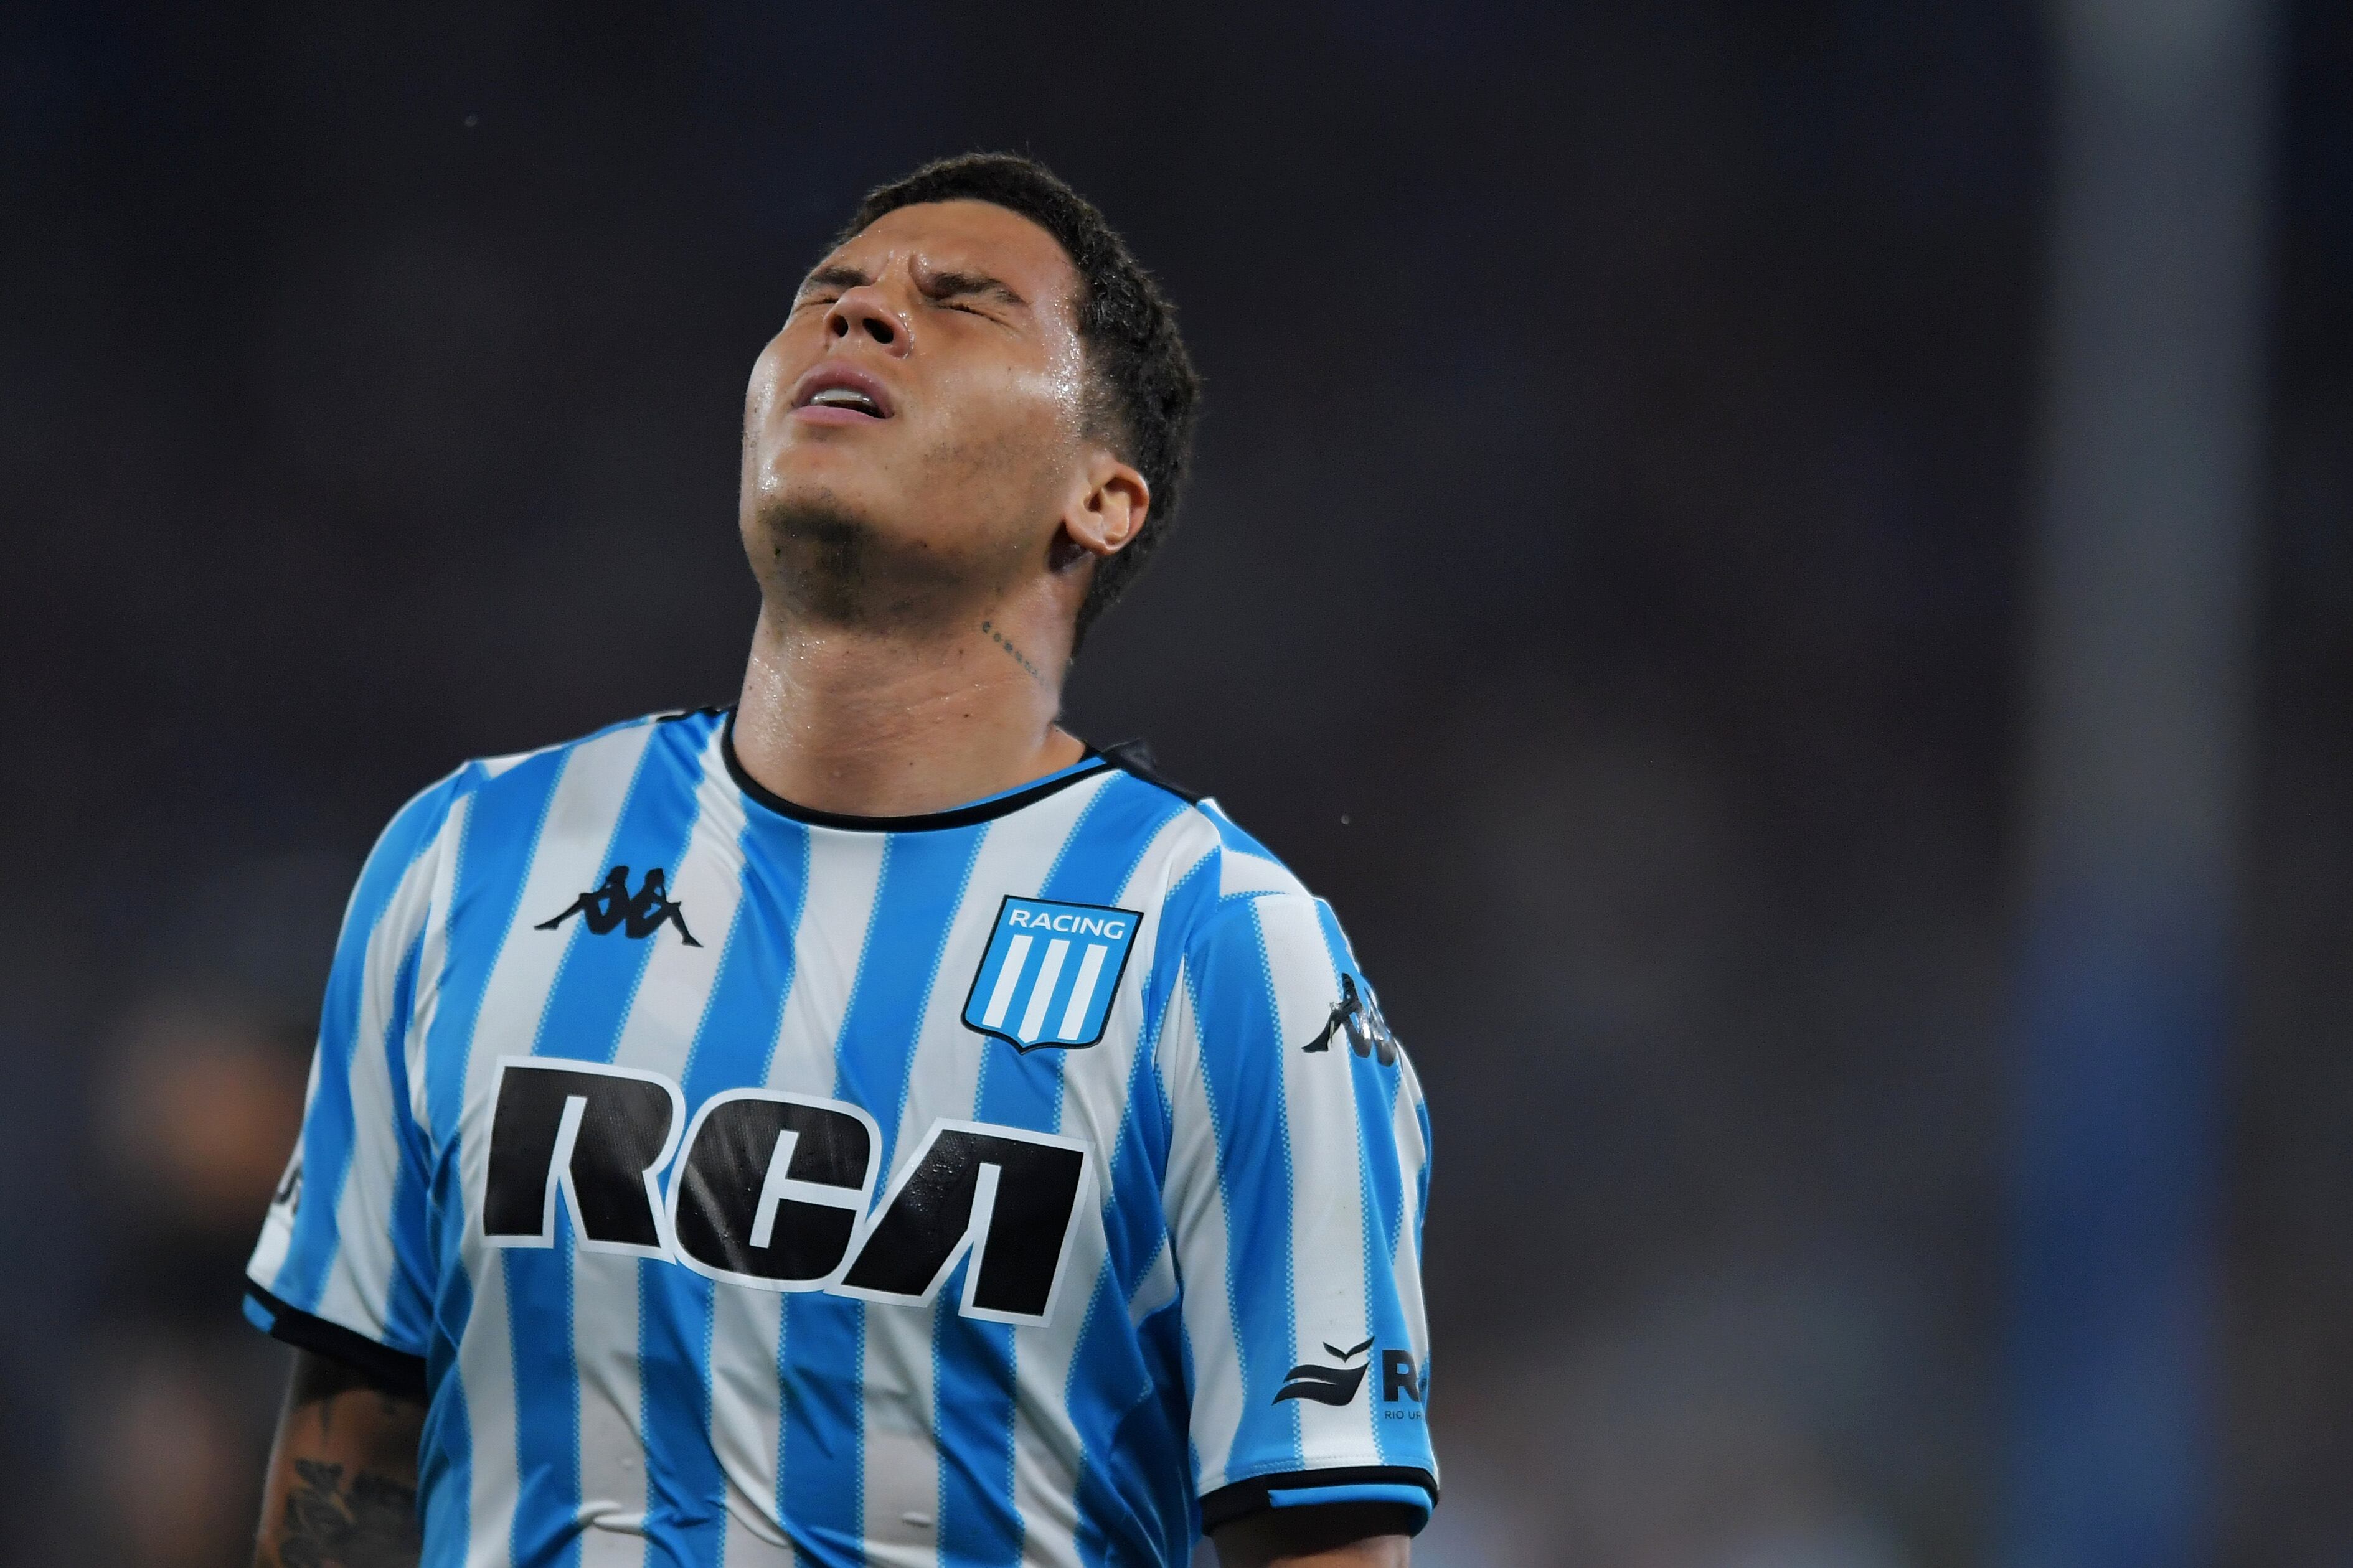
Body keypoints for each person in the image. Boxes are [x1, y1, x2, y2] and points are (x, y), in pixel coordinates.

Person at [242, 153, 1436, 1568]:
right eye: (829, 291)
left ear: (1103, 498)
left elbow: (1324, 1542)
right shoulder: (469, 859)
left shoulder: (1225, 949)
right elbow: (353, 1451)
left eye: (962, 302)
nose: (858, 316)